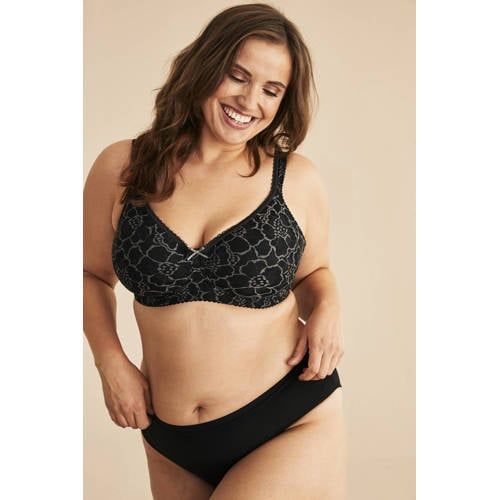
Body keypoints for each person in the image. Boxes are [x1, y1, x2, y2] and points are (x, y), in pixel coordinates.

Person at [83, 3, 346, 499]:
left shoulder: (296, 178)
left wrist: (328, 306)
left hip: (287, 419)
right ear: (205, 67)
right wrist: (110, 361)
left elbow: (314, 273)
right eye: (238, 76)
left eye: (271, 90)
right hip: (169, 436)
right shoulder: (123, 168)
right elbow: (89, 275)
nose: (250, 100)